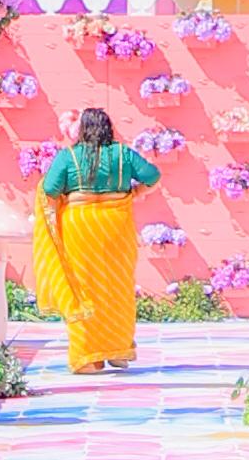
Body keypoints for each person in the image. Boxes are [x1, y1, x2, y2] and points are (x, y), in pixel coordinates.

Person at [31, 97, 160, 372]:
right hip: (117, 227)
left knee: (84, 288)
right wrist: (136, 192)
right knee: (118, 286)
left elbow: (51, 190)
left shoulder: (69, 156)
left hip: (80, 229)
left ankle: (87, 357)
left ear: (83, 130)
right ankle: (119, 352)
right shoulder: (123, 154)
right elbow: (153, 175)